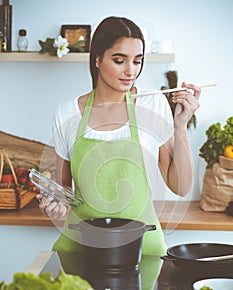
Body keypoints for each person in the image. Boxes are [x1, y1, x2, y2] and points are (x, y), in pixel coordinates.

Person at [37, 16, 201, 256]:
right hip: (83, 247)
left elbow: (181, 186)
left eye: (137, 61)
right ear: (97, 59)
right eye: (119, 60)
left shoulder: (153, 103)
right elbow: (63, 190)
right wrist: (56, 206)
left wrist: (181, 125)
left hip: (143, 248)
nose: (130, 71)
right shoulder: (67, 113)